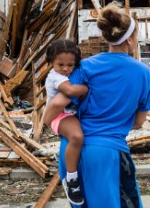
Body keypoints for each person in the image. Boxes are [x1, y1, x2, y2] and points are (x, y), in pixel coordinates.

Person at [42, 2, 150, 207]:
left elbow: (57, 103)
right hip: (109, 152)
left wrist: (47, 121)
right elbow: (139, 121)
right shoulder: (143, 73)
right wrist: (114, 121)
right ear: (129, 39)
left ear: (107, 37)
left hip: (74, 151)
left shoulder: (85, 67)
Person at [44, 39, 88, 205]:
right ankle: (71, 180)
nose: (65, 69)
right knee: (77, 137)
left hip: (70, 114)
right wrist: (86, 88)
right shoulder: (55, 77)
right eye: (60, 64)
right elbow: (69, 91)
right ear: (51, 63)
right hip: (59, 117)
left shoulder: (72, 73)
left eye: (70, 65)